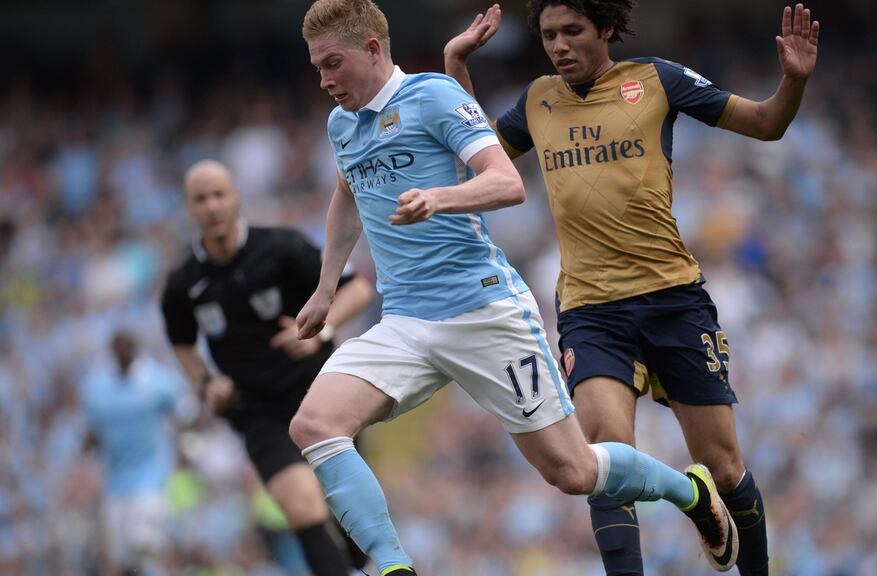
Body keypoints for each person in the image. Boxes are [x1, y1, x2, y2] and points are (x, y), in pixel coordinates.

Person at [288, 1, 740, 575]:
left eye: (334, 63)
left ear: (374, 50)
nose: (325, 80)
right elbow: (347, 194)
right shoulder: (341, 123)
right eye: (317, 68)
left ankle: (690, 495)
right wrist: (325, 289)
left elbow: (506, 183)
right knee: (314, 426)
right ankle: (391, 566)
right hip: (404, 322)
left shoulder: (433, 97)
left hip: (484, 311)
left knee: (573, 472)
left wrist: (439, 198)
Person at [444, 2, 820, 574]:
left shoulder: (656, 81)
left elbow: (767, 124)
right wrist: (456, 66)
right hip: (591, 310)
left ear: (607, 30)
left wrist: (792, 80)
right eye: (549, 35)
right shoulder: (537, 101)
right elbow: (471, 158)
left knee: (723, 468)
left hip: (673, 298)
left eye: (573, 31)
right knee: (608, 461)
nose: (559, 45)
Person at [160, 159, 375, 576]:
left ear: (235, 197)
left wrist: (322, 328)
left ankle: (362, 563)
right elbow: (181, 342)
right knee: (301, 507)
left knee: (349, 512)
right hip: (258, 412)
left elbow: (358, 291)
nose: (212, 206)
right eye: (201, 199)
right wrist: (206, 383)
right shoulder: (183, 283)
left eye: (219, 194)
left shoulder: (282, 248)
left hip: (321, 393)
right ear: (189, 207)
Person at [82, 330, 184, 575]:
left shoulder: (157, 381)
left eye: (128, 347)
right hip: (115, 484)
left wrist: (186, 448)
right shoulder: (97, 388)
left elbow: (183, 415)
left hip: (150, 478)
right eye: (119, 347)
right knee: (123, 562)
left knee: (145, 546)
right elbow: (93, 431)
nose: (124, 352)